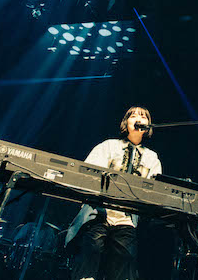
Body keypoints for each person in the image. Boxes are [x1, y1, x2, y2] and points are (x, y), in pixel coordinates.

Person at [66, 106, 162, 280]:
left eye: (143, 116)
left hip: (127, 219)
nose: (138, 118)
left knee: (125, 257)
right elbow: (88, 174)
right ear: (126, 122)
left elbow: (154, 190)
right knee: (92, 247)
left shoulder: (152, 158)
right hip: (99, 212)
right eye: (133, 115)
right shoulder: (108, 146)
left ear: (148, 125)